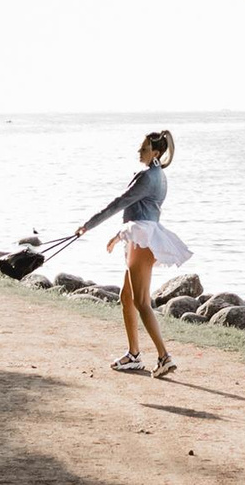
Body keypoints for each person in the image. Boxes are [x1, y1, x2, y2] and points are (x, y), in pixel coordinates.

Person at [74, 128, 189, 378]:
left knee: (141, 302)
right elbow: (141, 210)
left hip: (142, 238)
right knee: (126, 298)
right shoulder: (160, 176)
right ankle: (134, 355)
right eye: (140, 147)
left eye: (144, 148)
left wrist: (88, 225)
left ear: (155, 153)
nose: (140, 151)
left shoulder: (148, 177)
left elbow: (120, 203)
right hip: (141, 234)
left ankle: (164, 357)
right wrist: (119, 236)